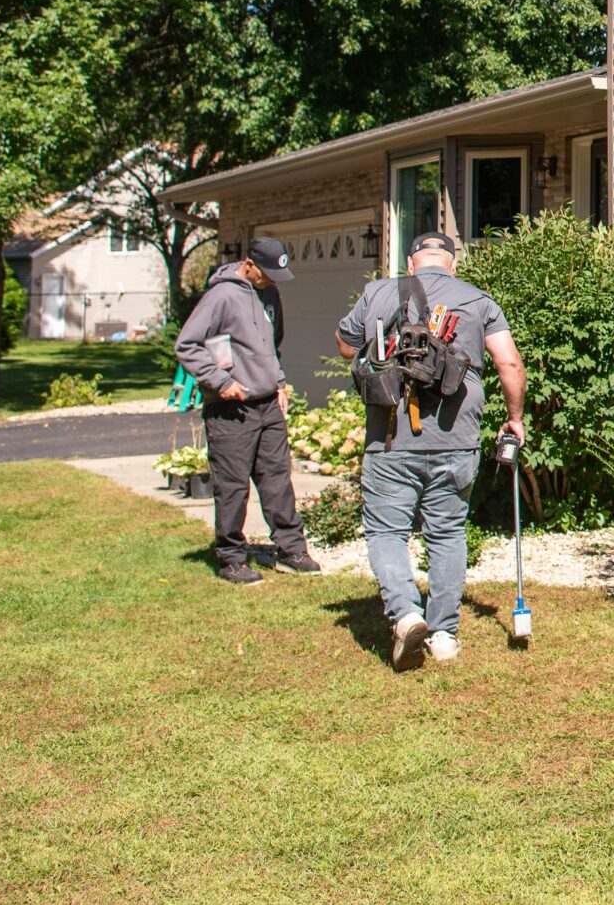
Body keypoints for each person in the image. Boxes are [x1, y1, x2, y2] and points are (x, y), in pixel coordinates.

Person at [335, 229, 526, 670]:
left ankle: (405, 614)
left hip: (389, 440)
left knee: (387, 531)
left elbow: (344, 344)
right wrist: (515, 418)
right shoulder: (478, 300)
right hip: (456, 440)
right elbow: (509, 362)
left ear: (410, 264)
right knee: (447, 532)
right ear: (453, 264)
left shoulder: (377, 292)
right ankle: (443, 636)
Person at [175, 235, 317, 585]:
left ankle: (291, 551)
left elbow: (272, 345)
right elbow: (188, 344)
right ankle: (231, 558)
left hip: (268, 405)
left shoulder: (269, 292)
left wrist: (279, 382)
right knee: (233, 485)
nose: (271, 281)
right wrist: (221, 382)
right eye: (266, 274)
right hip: (230, 409)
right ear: (249, 265)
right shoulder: (221, 296)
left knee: (277, 479)